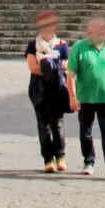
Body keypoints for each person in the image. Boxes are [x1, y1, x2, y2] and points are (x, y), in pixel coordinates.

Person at [68, 17, 105, 178]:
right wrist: (72, 97)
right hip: (85, 97)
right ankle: (89, 160)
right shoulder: (79, 48)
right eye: (95, 30)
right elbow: (71, 74)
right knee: (85, 132)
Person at [26, 10, 71, 173]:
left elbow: (67, 65)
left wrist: (50, 64)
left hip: (57, 88)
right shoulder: (33, 45)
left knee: (57, 123)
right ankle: (48, 159)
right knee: (43, 125)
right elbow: (33, 67)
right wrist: (50, 65)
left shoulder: (62, 45)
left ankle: (60, 156)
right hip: (39, 88)